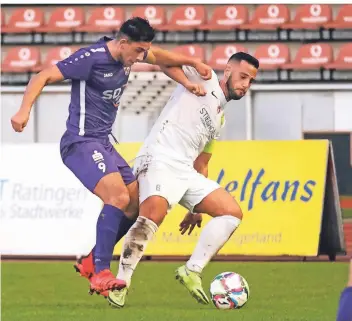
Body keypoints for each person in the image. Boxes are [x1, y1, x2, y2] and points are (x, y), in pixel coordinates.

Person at [10, 17, 212, 295]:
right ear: (124, 42)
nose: (143, 57)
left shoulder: (129, 55)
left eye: (145, 51)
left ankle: (92, 260)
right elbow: (41, 76)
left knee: (133, 204)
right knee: (116, 197)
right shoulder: (91, 58)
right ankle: (101, 273)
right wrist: (24, 111)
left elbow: (162, 59)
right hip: (80, 142)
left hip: (103, 143)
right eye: (140, 51)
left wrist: (190, 72)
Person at [107, 52, 259, 308]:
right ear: (228, 71)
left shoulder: (220, 117)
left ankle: (192, 270)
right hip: (159, 157)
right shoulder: (206, 78)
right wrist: (192, 65)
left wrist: (195, 209)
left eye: (251, 81)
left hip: (185, 170)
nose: (245, 84)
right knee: (152, 214)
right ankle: (121, 283)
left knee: (231, 213)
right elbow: (160, 59)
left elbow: (202, 163)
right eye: (243, 76)